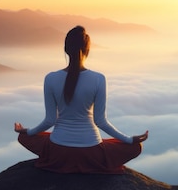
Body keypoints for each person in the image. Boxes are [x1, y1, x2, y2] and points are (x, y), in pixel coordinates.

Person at [14, 25, 148, 174]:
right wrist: (129, 140)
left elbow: (50, 121)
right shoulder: (98, 79)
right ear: (87, 50)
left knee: (23, 138)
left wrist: (26, 131)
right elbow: (100, 121)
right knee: (136, 147)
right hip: (92, 153)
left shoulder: (51, 78)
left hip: (59, 151)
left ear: (66, 49)